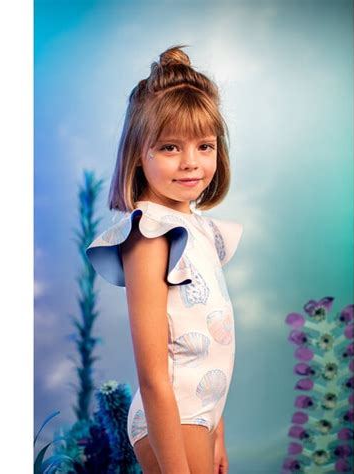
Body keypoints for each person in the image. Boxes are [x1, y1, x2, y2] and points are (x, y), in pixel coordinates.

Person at [86, 44, 243, 474]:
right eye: (171, 147)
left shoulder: (200, 229)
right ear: (139, 153)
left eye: (205, 146)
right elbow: (154, 374)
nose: (191, 163)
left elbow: (204, 344)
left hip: (201, 413)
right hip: (173, 416)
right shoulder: (151, 235)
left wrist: (217, 429)